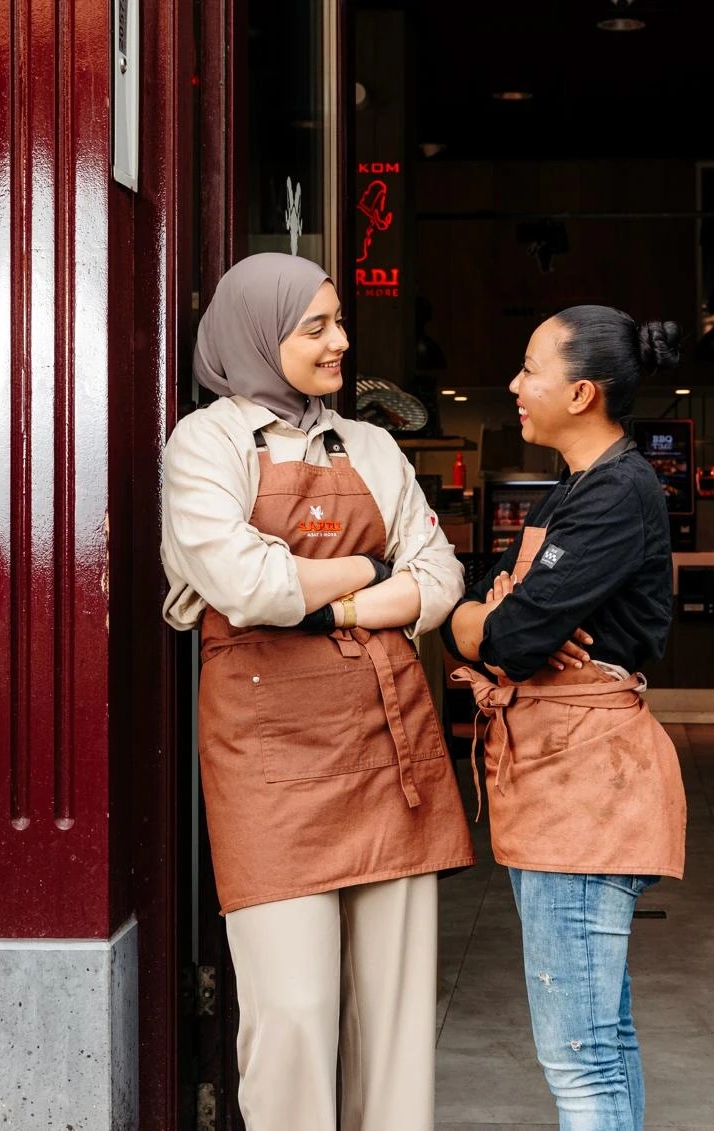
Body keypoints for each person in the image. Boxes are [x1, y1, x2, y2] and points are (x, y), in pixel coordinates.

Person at [160, 252, 474, 1131]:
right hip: (268, 759)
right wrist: (374, 574)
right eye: (317, 327)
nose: (341, 341)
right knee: (292, 1015)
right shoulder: (206, 442)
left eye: (339, 321)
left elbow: (441, 574)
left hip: (387, 746)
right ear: (260, 336)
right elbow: (243, 582)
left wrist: (326, 598)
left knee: (394, 1027)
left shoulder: (371, 444)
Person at [441, 305, 689, 1131]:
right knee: (601, 1043)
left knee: (579, 1058)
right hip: (562, 784)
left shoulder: (618, 492)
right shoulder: (579, 486)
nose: (513, 385)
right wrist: (490, 614)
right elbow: (481, 610)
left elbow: (504, 634)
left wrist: (493, 617)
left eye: (529, 369)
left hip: (584, 790)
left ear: (581, 392)